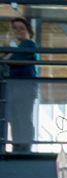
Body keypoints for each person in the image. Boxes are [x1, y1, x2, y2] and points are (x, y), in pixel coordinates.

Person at [3, 17, 38, 152]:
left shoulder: (29, 44)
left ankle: (23, 147)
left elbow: (14, 60)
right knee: (15, 118)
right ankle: (19, 145)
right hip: (17, 88)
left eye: (21, 28)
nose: (18, 31)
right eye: (15, 28)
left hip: (25, 88)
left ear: (28, 31)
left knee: (22, 117)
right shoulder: (19, 47)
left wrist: (9, 55)